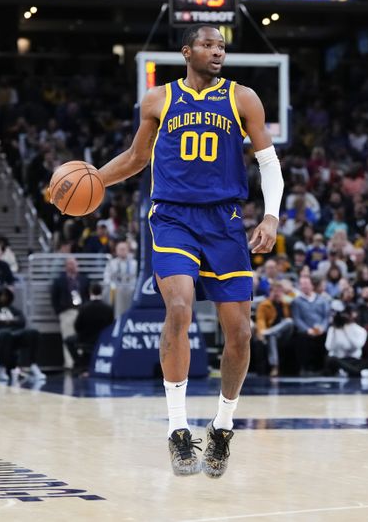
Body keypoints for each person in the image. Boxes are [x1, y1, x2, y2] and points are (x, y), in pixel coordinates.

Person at [97, 24, 283, 478]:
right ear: (187, 51)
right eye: (208, 45)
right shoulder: (158, 100)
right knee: (178, 308)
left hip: (225, 221)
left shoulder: (244, 99)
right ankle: (178, 429)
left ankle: (221, 427)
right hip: (174, 217)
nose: (217, 51)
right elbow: (137, 158)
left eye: (221, 45)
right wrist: (93, 181)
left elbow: (269, 163)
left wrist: (272, 215)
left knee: (239, 333)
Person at [0, 287, 45, 382]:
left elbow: (22, 322)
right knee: (5, 334)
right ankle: (2, 368)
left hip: (14, 333)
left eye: (6, 296)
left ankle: (33, 365)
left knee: (33, 333)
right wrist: (10, 322)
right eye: (2, 295)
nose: (3, 298)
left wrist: (5, 322)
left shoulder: (14, 309)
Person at [51, 256, 90, 369]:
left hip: (81, 311)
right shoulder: (59, 280)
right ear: (66, 266)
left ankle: (82, 363)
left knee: (82, 338)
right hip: (67, 312)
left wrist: (86, 309)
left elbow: (87, 295)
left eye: (74, 264)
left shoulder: (84, 279)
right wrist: (59, 311)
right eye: (70, 264)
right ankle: (70, 363)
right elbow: (54, 297)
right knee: (68, 338)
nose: (72, 266)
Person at [68, 283, 115, 377]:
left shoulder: (84, 308)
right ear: (101, 292)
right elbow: (111, 326)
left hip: (85, 339)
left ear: (90, 292)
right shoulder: (108, 308)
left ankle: (79, 365)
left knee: (68, 340)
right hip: (102, 340)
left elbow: (77, 326)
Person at [291, 275, 331, 376]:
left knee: (326, 338)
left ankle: (322, 368)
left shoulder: (322, 300)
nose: (305, 286)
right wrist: (307, 330)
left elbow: (326, 317)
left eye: (307, 284)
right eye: (302, 285)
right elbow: (297, 319)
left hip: (320, 330)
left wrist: (322, 328)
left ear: (312, 285)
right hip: (305, 331)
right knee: (301, 338)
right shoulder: (296, 301)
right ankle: (304, 368)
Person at [323, 309, 368, 377]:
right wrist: (334, 330)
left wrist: (346, 331)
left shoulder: (360, 330)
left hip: (354, 360)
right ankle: (358, 372)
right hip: (339, 360)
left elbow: (357, 346)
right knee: (331, 359)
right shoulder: (333, 329)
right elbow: (328, 347)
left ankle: (349, 371)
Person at [254, 281, 293, 377]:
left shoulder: (286, 303)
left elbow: (296, 297)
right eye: (275, 292)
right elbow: (260, 321)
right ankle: (274, 366)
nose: (277, 294)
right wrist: (262, 333)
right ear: (270, 292)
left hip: (285, 334)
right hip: (270, 335)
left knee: (289, 322)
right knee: (272, 336)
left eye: (279, 292)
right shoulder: (264, 305)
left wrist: (290, 290)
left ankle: (270, 332)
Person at [102, 241, 137, 319]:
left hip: (131, 289)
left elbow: (136, 278)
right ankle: (116, 318)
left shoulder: (134, 263)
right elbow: (106, 277)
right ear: (116, 250)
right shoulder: (111, 263)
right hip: (116, 290)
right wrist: (112, 286)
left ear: (128, 250)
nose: (122, 251)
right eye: (120, 249)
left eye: (124, 249)